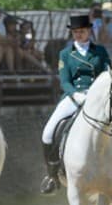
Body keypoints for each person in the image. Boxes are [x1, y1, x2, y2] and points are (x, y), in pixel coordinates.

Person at [39, 14, 111, 194]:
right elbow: (64, 81)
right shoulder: (65, 54)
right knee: (48, 132)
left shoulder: (100, 52)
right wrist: (76, 95)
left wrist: (96, 94)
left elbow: (108, 75)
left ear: (89, 31)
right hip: (73, 98)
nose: (79, 34)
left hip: (98, 98)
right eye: (76, 32)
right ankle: (52, 175)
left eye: (82, 31)